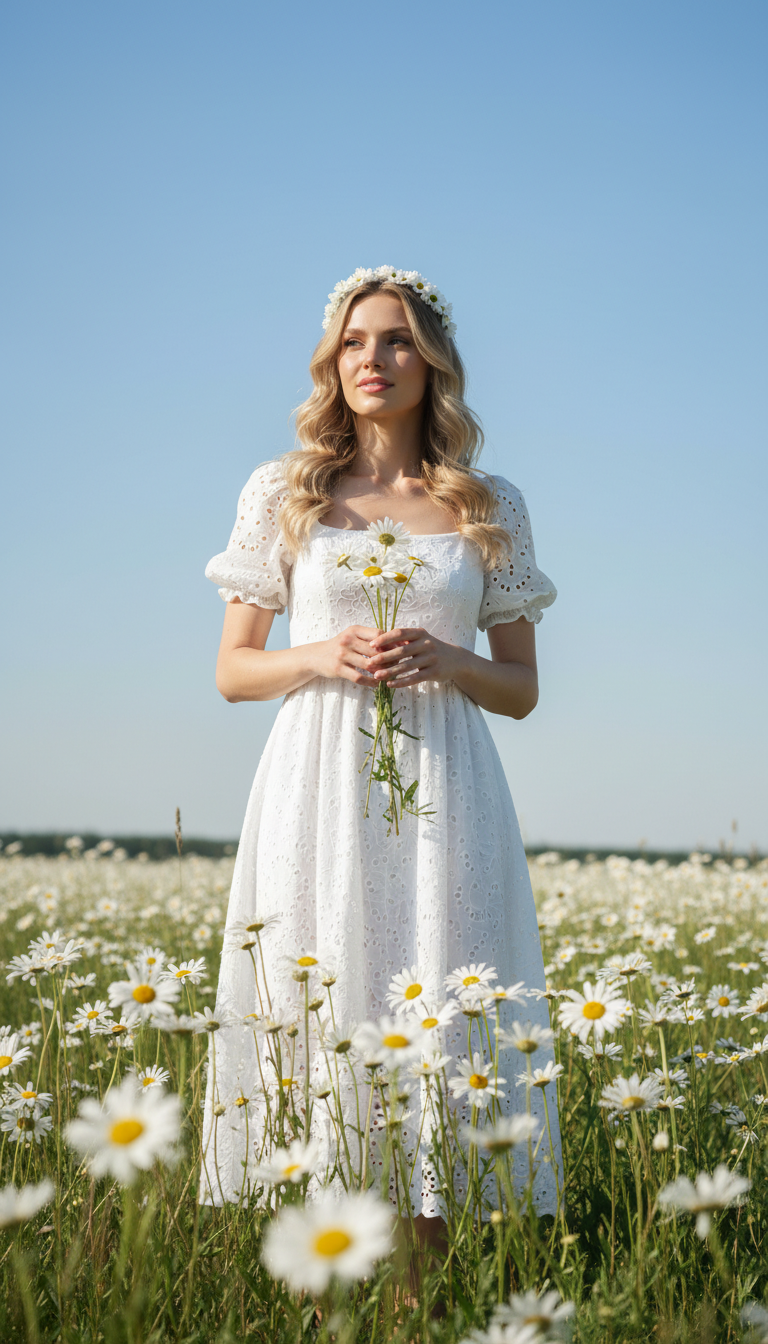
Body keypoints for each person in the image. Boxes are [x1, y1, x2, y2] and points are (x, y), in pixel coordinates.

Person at [200, 266, 562, 1240]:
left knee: (438, 1030)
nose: (375, 359)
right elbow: (234, 671)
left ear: (433, 362)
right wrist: (320, 653)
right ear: (333, 362)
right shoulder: (286, 491)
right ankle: (336, 1288)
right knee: (328, 1026)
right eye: (356, 342)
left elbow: (522, 690)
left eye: (397, 340)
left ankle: (424, 1301)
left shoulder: (489, 504)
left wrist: (451, 657)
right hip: (315, 788)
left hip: (447, 792)